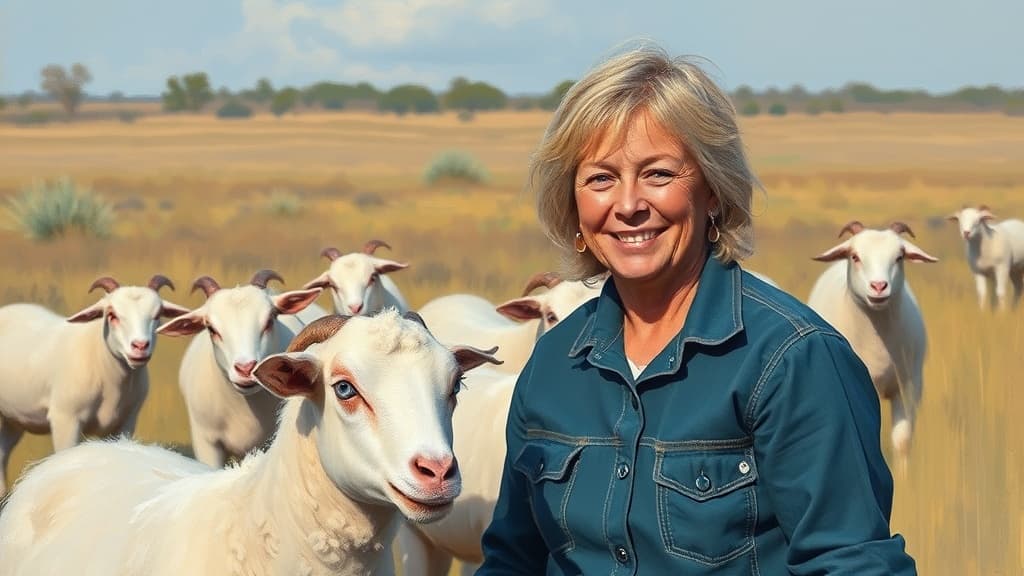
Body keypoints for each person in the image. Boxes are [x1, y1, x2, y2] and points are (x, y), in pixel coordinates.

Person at [476, 43, 917, 575]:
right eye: (600, 178)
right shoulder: (552, 365)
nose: (629, 204)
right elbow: (513, 560)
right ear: (573, 206)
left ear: (713, 191)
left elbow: (851, 563)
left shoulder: (793, 362)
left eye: (658, 174)